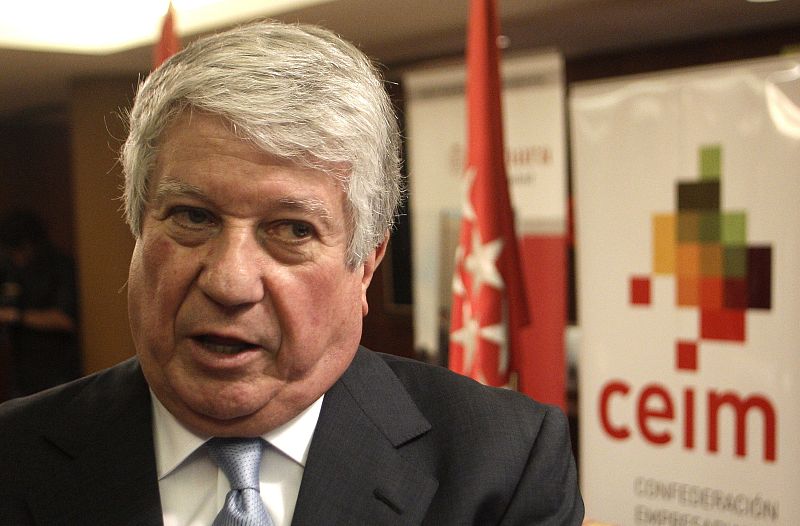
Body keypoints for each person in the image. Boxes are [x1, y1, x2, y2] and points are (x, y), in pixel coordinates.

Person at [0, 20, 583, 525]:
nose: (229, 283)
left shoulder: (501, 464)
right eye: (193, 217)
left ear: (366, 265)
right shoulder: (14, 456)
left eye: (292, 230)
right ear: (137, 231)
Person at [0, 210, 80, 398]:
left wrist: (16, 316)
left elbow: (65, 320)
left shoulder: (60, 266)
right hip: (21, 371)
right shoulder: (10, 267)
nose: (16, 257)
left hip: (57, 369)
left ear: (30, 245)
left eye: (18, 250)